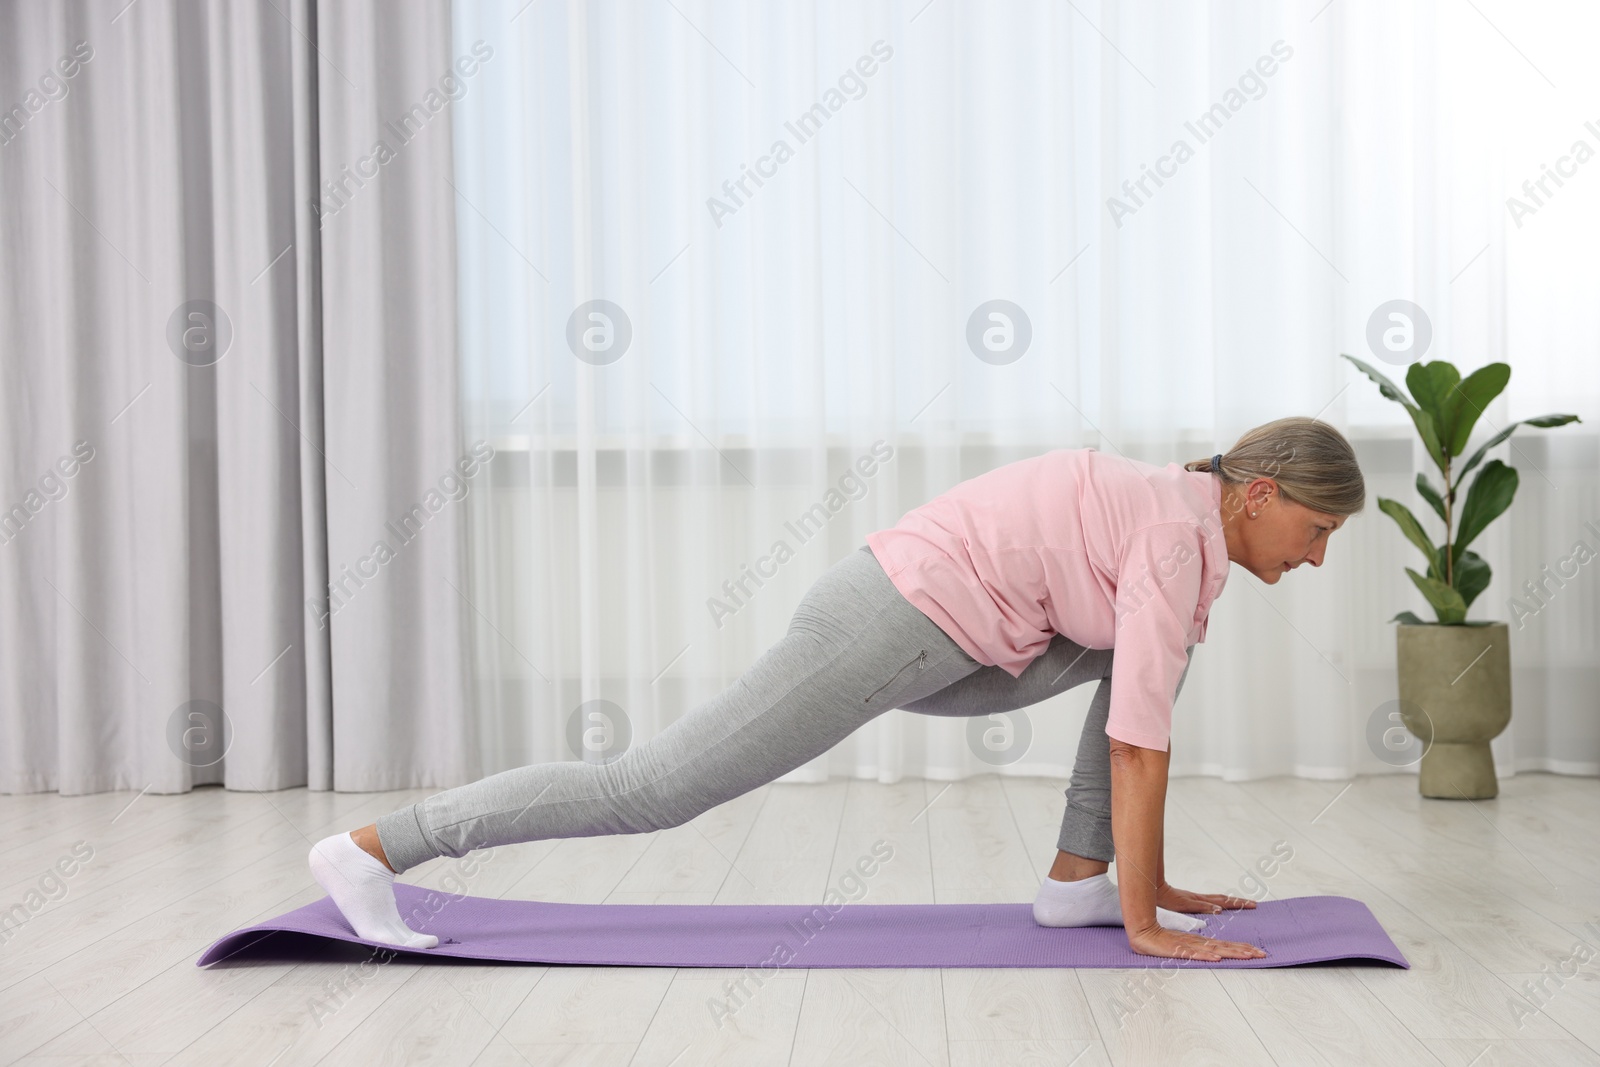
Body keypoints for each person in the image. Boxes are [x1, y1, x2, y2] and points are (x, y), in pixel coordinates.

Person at [308, 416, 1364, 962]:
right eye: (1315, 531)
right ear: (1259, 495)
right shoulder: (1177, 541)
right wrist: (1150, 920)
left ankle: (1074, 879)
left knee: (1154, 653)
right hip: (892, 624)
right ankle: (375, 849)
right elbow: (1139, 743)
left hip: (955, 635)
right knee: (656, 785)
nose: (1316, 558)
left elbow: (1139, 703)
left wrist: (1147, 884)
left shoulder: (1176, 526)